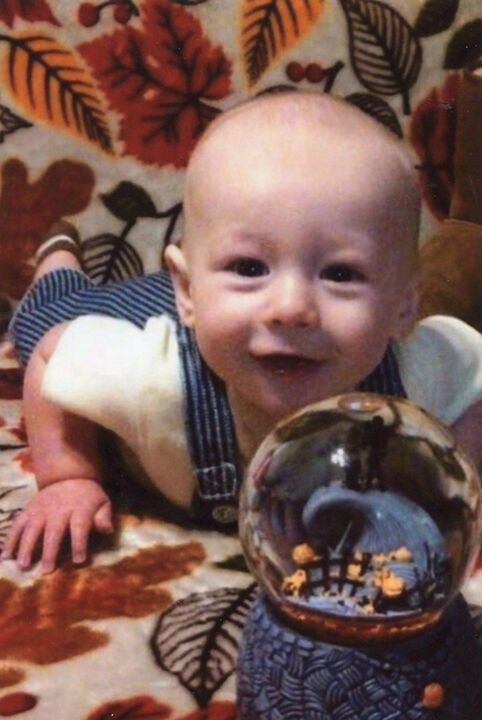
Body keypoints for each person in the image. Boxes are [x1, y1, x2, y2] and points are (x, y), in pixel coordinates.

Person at [2, 92, 482, 574]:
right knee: (43, 318)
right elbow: (50, 353)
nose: (291, 308)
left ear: (404, 306)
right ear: (187, 288)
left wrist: (448, 485)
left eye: (340, 274)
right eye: (249, 266)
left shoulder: (415, 376)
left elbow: (472, 379)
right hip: (164, 319)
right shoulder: (150, 376)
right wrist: (68, 478)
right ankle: (57, 259)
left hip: (228, 314)